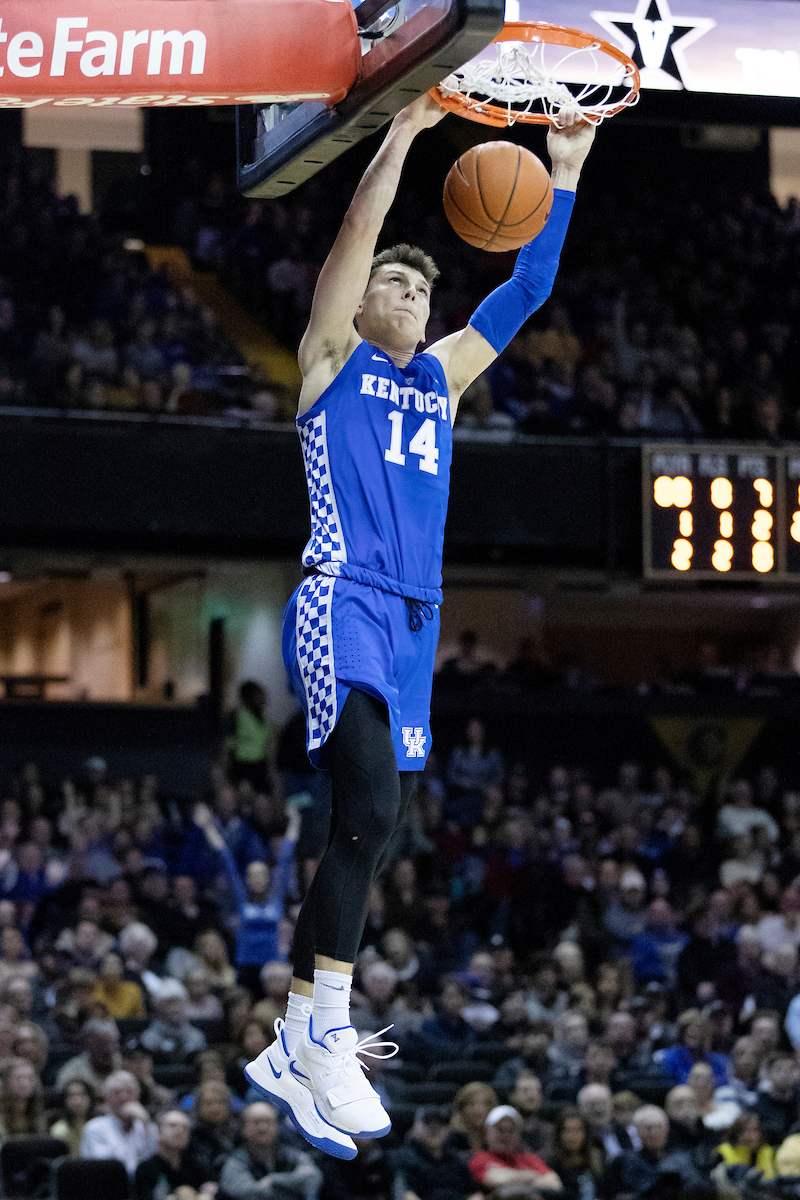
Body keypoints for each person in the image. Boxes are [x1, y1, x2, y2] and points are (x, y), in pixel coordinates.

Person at [244, 91, 596, 1163]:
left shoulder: (441, 379)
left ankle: (295, 1037)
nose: (405, 287)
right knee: (368, 801)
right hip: (338, 594)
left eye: (419, 281)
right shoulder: (328, 363)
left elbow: (528, 283)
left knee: (377, 831)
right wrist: (398, 138)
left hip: (411, 626)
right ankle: (325, 1032)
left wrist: (566, 167)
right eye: (394, 281)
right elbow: (352, 243)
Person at [194, 801, 301, 995]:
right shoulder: (241, 897)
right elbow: (225, 856)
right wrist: (208, 826)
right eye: (253, 875)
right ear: (248, 879)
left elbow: (285, 855)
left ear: (267, 878)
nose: (258, 879)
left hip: (273, 966)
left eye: (262, 874)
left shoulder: (276, 896)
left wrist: (294, 820)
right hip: (245, 963)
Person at [218, 1102, 322, 1200]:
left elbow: (313, 1177)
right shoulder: (236, 1160)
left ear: (277, 1126)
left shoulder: (291, 1154)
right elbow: (242, 1192)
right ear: (244, 1128)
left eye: (268, 1121)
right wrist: (292, 1186)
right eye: (256, 1122)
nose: (263, 1128)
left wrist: (272, 1180)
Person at [389, 1105, 480, 1200]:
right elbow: (404, 1193)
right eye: (428, 1123)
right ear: (415, 1127)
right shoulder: (402, 1158)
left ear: (448, 1129)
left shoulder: (457, 1160)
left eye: (441, 1123)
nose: (435, 1129)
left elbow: (473, 1193)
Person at [469, 1105, 562, 1196]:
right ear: (487, 1132)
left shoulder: (530, 1158)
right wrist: (532, 1175)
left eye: (511, 1130)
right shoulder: (479, 1159)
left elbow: (554, 1182)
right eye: (500, 1129)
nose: (506, 1135)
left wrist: (511, 1178)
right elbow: (493, 1179)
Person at [80, 1069, 159, 1177]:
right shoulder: (95, 1127)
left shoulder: (146, 1125)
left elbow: (156, 1160)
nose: (124, 1097)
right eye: (117, 1093)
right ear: (107, 1098)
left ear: (137, 1096)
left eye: (129, 1091)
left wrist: (146, 1122)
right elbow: (109, 1166)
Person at [134, 1109, 216, 1200]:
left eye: (185, 1127)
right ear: (158, 1130)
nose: (180, 1131)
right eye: (173, 1125)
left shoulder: (196, 1167)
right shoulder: (147, 1168)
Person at [547, 1108, 604, 1200]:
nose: (572, 1136)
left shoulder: (599, 1159)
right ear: (559, 1134)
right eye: (567, 1131)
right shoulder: (551, 1164)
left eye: (577, 1130)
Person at [50, 1078, 97, 1156]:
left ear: (90, 1098)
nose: (77, 1101)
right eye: (71, 1095)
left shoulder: (101, 1126)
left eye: (82, 1095)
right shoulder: (59, 1130)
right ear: (65, 1101)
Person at [0, 1057, 45, 1136]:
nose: (24, 1084)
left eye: (30, 1078)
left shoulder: (40, 1111)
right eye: (18, 1078)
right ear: (6, 1082)